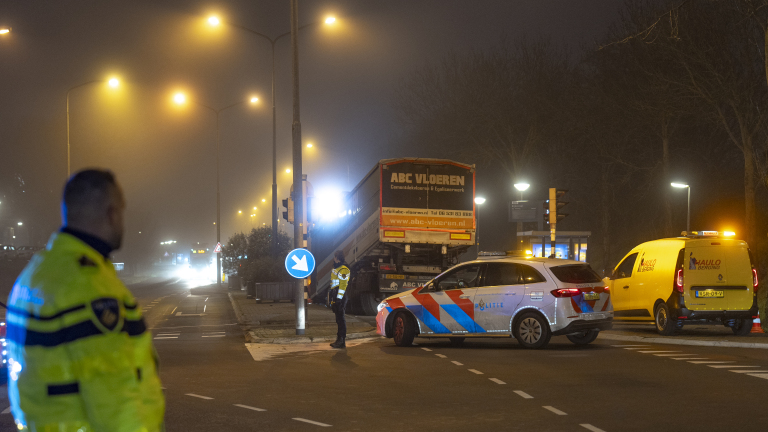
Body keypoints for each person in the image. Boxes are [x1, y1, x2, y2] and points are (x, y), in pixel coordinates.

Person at [6, 169, 165, 431]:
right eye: (122, 211)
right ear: (111, 214)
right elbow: (114, 399)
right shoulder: (88, 284)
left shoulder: (37, 273)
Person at [329, 249, 351, 349]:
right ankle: (339, 340)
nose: (333, 259)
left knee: (341, 319)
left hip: (340, 296)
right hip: (336, 295)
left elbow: (342, 286)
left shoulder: (344, 269)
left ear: (337, 258)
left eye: (334, 257)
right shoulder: (337, 268)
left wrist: (338, 299)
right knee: (338, 319)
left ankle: (341, 340)